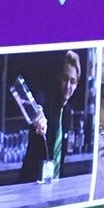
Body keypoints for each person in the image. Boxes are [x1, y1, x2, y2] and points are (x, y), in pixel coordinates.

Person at [13, 49, 81, 183]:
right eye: (65, 79)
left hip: (54, 183)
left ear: (76, 84)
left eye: (72, 81)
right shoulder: (47, 100)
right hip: (31, 182)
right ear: (59, 77)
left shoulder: (68, 111)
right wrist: (37, 112)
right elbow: (38, 101)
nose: (68, 86)